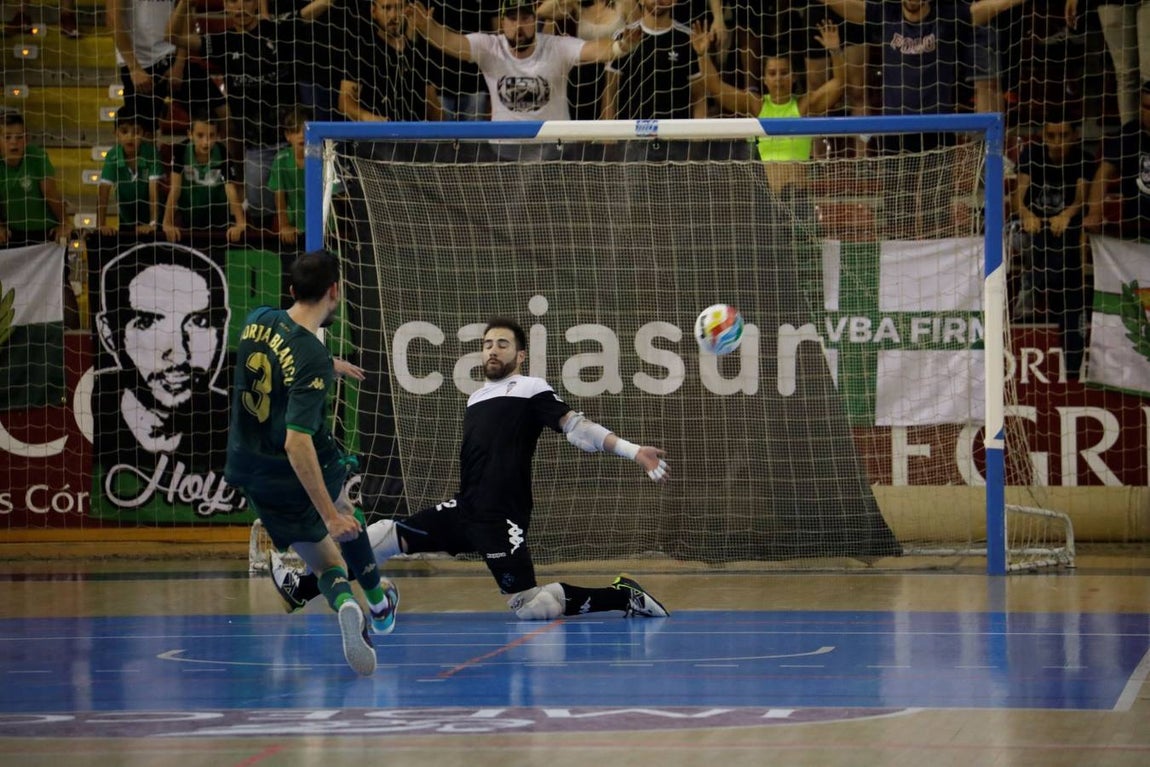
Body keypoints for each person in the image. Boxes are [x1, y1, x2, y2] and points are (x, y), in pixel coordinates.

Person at [270, 317, 672, 622]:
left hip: (502, 518)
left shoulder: (531, 388)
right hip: (465, 510)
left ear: (520, 355)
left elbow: (577, 429)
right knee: (384, 535)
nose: (493, 350)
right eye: (487, 344)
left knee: (531, 607)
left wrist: (634, 451)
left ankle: (622, 595)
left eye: (503, 344)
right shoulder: (476, 397)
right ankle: (302, 587)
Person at [225, 249, 399, 676]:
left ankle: (348, 604)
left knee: (325, 564)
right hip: (292, 464)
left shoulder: (258, 319)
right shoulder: (310, 357)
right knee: (344, 519)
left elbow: (279, 356)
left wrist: (328, 365)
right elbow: (297, 442)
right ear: (334, 291)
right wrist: (330, 517)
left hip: (250, 466)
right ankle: (378, 605)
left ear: (291, 289)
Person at [407, 0, 640, 160]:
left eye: (525, 17)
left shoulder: (555, 47)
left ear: (534, 18)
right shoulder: (489, 47)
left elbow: (594, 49)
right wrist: (427, 28)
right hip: (506, 151)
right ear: (502, 21)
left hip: (554, 150)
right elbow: (451, 41)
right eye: (512, 18)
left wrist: (621, 45)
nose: (519, 26)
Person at [167, 0, 327, 225]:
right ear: (226, 5)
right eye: (234, 1)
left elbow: (310, 11)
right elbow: (171, 36)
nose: (241, 7)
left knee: (307, 213)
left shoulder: (277, 28)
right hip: (257, 149)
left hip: (293, 145)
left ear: (256, 4)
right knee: (260, 216)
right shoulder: (222, 42)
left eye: (247, 0)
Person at [92, 242, 232, 476]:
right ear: (108, 333)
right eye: (147, 323)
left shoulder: (233, 416)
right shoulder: (91, 406)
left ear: (223, 326)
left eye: (199, 322)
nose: (179, 356)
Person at [691, 18, 843, 190]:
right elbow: (715, 87)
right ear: (764, 79)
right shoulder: (756, 105)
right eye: (772, 73)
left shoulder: (804, 106)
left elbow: (839, 83)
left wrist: (835, 51)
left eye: (784, 72)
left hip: (798, 197)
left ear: (794, 77)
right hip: (761, 198)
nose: (778, 78)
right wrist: (702, 55)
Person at [1012, 112, 1090, 378]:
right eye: (1052, 136)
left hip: (1063, 234)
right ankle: (1029, 298)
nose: (1057, 142)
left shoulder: (1082, 158)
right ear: (1043, 136)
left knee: (1067, 241)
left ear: (1075, 135)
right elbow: (1018, 197)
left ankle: (1043, 293)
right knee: (1023, 237)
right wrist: (1027, 214)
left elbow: (1081, 198)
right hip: (1030, 231)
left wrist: (1066, 215)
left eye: (1064, 135)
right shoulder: (1032, 154)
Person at [600, 0, 708, 160]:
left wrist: (698, 143)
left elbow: (698, 96)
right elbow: (610, 92)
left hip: (676, 142)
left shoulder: (688, 38)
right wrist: (608, 140)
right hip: (631, 142)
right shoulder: (625, 36)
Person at [108, 0, 227, 135]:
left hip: (171, 57)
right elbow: (113, 19)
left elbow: (185, 12)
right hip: (140, 64)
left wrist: (179, 64)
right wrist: (134, 67)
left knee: (222, 113)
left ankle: (220, 148)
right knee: (142, 133)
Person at [339, 0, 443, 124]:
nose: (393, 16)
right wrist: (367, 117)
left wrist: (444, 132)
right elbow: (345, 102)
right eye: (386, 8)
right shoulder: (363, 51)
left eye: (399, 8)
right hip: (376, 134)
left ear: (407, 10)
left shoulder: (418, 52)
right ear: (373, 11)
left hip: (413, 133)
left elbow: (432, 105)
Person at [537, 0, 638, 120]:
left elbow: (638, 35)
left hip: (616, 75)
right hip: (583, 78)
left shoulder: (624, 3)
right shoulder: (574, 6)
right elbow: (541, 12)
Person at [161, 114, 247, 245]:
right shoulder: (181, 150)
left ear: (217, 136)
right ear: (190, 134)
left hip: (218, 217)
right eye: (200, 135)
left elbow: (230, 189)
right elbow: (175, 189)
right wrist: (167, 222)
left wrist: (240, 223)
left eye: (211, 135)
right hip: (189, 215)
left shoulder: (222, 152)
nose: (206, 142)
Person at [1084, 80, 1150, 238]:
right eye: (1146, 107)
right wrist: (1094, 212)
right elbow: (1103, 172)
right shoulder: (1131, 133)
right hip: (1136, 229)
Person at [0, 113, 71, 246]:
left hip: (46, 230)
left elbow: (50, 192)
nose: (14, 142)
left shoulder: (37, 156)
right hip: (13, 232)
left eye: (19, 137)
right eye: (7, 137)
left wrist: (64, 222)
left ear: (26, 139)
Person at [97, 106, 163, 239]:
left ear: (143, 134)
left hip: (152, 221)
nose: (130, 137)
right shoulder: (112, 156)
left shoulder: (151, 154)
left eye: (136, 132)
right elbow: (104, 190)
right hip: (126, 221)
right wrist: (100, 225)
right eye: (124, 131)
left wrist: (153, 224)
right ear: (116, 133)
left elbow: (154, 192)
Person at [269, 106, 309, 247]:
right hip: (294, 224)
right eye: (296, 131)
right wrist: (284, 225)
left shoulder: (323, 158)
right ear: (287, 135)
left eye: (305, 131)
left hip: (324, 223)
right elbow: (279, 195)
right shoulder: (281, 160)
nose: (301, 135)